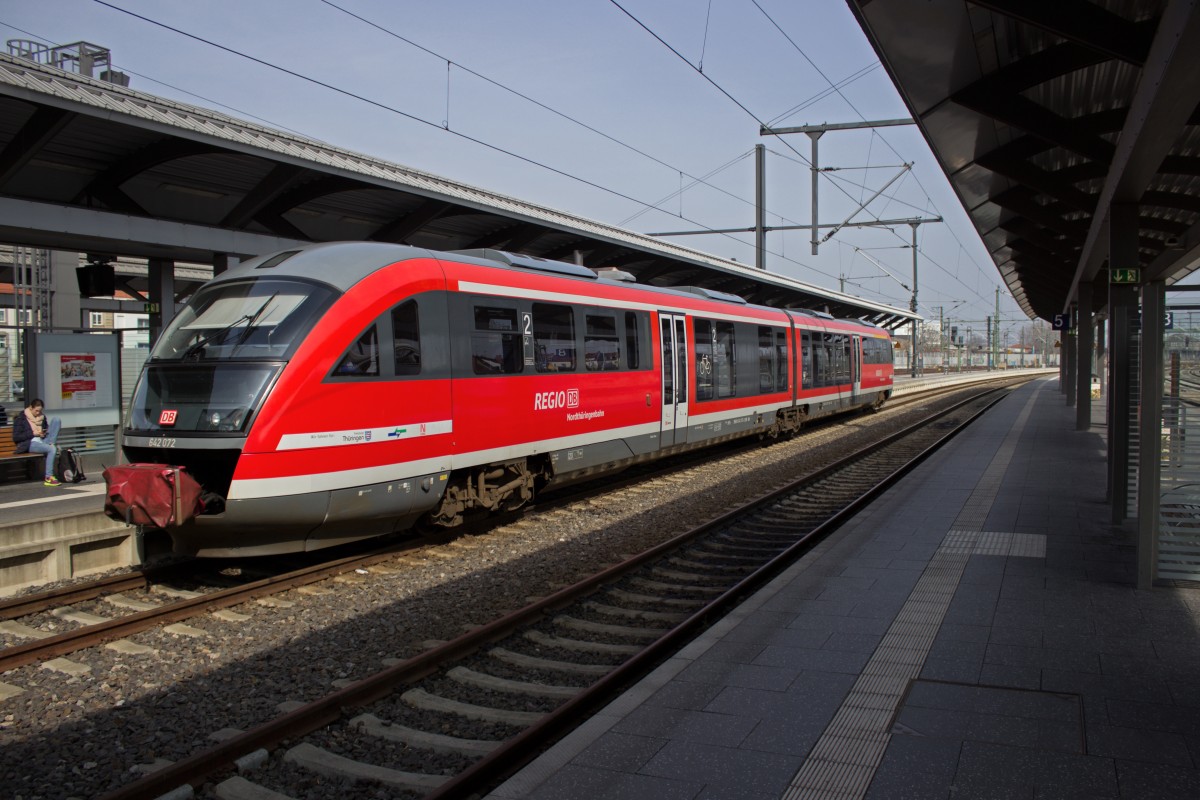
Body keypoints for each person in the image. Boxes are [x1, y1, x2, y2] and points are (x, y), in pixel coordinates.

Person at [12, 398, 63, 486]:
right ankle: (48, 477)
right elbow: (16, 437)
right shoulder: (21, 419)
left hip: (42, 440)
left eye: (40, 411)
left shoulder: (42, 417)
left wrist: (43, 433)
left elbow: (45, 428)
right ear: (31, 408)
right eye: (36, 411)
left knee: (56, 420)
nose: (38, 413)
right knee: (52, 449)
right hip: (29, 443)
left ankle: (51, 443)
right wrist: (33, 434)